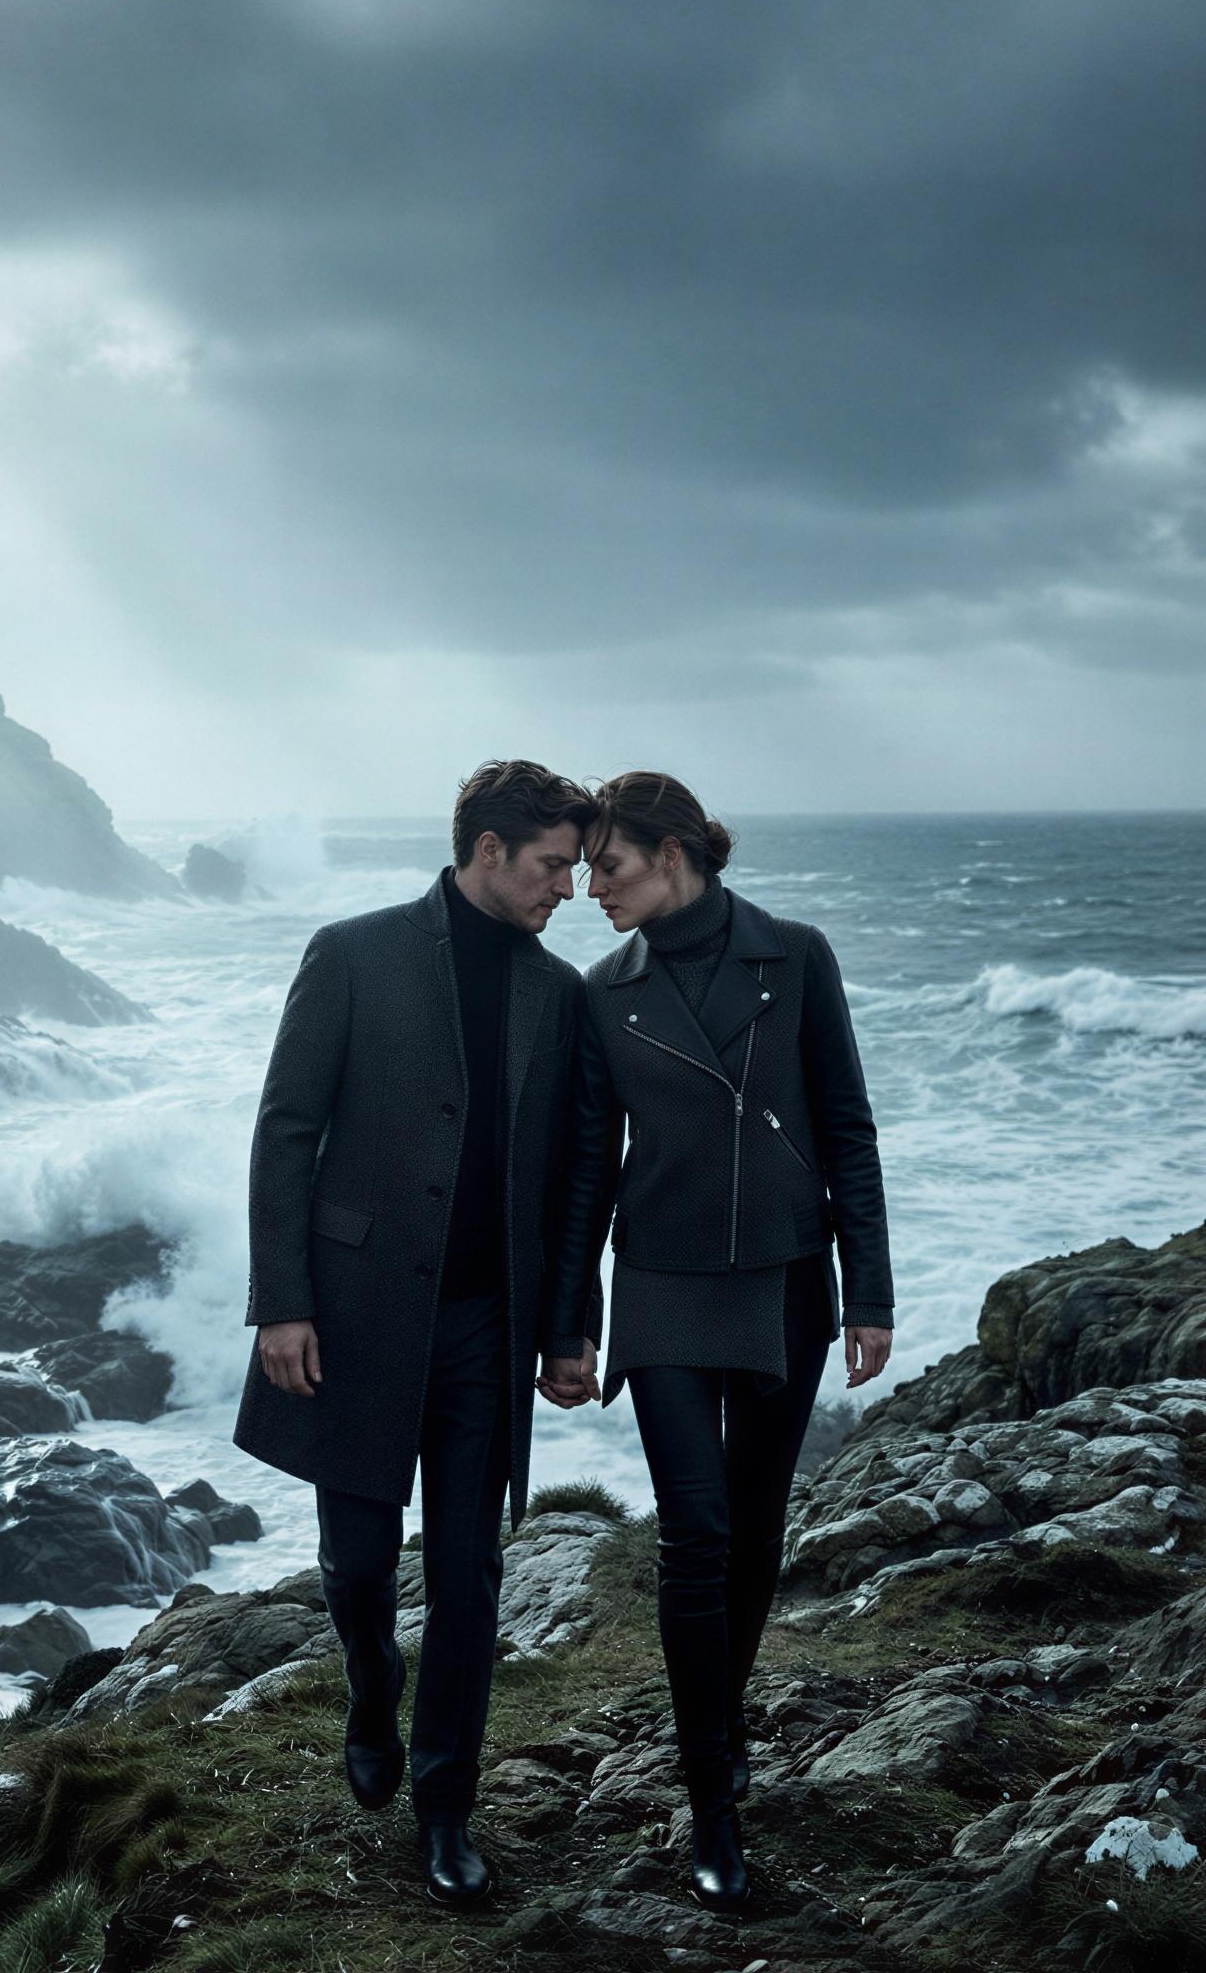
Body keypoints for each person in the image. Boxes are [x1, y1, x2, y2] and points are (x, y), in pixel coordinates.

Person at [233, 759, 600, 1909]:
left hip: (486, 1331)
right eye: (552, 865)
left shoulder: (561, 993)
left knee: (469, 1574)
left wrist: (564, 1326)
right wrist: (279, 1301)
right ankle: (366, 1673)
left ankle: (445, 1806)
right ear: (486, 850)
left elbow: (578, 1173)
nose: (568, 890)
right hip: (351, 1316)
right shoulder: (350, 951)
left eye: (579, 868)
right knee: (353, 1567)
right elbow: (285, 1129)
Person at [541, 771, 894, 1914]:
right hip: (663, 1285)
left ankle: (722, 1727)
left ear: (677, 850)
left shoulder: (793, 955)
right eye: (585, 867)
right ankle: (711, 1802)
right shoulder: (603, 990)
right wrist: (571, 1323)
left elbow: (845, 1123)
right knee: (695, 1534)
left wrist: (866, 1291)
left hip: (786, 1279)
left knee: (753, 1529)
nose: (590, 886)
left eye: (610, 865)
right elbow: (589, 1167)